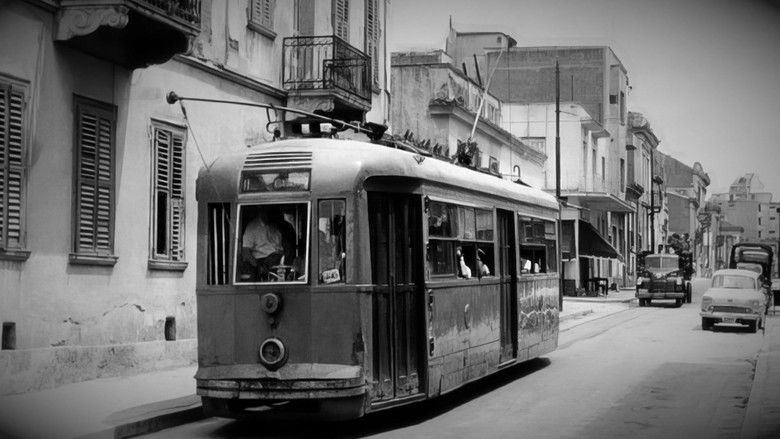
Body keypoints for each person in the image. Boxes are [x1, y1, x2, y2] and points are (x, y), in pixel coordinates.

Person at [241, 211, 284, 281]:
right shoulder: (252, 227)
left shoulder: (280, 225)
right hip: (260, 262)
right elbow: (246, 251)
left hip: (279, 260)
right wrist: (258, 267)